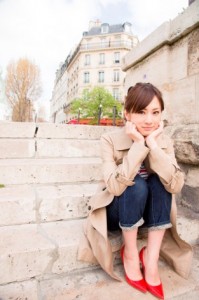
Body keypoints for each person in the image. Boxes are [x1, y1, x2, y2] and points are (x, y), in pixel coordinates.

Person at [78, 82, 193, 299]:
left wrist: (154, 146)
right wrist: (139, 145)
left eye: (155, 112)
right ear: (127, 114)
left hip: (149, 211)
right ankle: (130, 254)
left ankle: (151, 258)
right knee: (136, 184)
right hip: (117, 210)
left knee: (161, 181)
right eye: (141, 112)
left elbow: (176, 185)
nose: (149, 120)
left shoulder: (165, 142)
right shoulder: (109, 140)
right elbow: (113, 186)